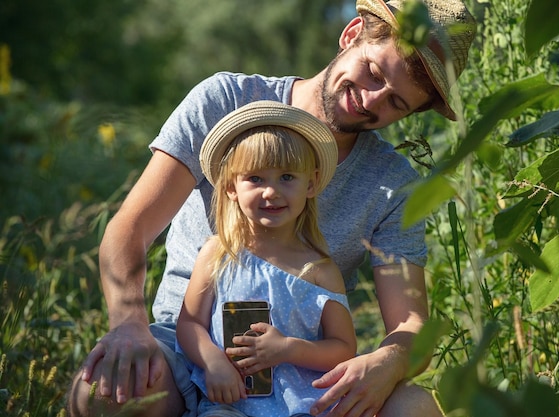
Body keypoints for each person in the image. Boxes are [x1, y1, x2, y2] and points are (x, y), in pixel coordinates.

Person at [68, 0, 476, 416]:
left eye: (396, 103)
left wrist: (387, 362)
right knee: (101, 396)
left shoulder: (390, 183)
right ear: (352, 34)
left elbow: (410, 326)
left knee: (414, 408)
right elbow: (129, 231)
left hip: (302, 373)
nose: (372, 100)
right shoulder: (226, 101)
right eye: (373, 72)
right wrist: (129, 324)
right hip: (188, 350)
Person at [176, 101, 357, 417]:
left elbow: (343, 348)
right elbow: (190, 323)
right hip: (231, 402)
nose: (271, 192)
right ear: (232, 186)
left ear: (311, 183)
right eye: (256, 179)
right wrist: (213, 361)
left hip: (302, 406)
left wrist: (288, 348)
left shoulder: (319, 270)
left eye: (287, 177)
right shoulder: (217, 254)